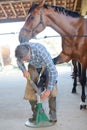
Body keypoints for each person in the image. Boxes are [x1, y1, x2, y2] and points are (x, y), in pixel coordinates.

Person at [15, 42, 58, 123]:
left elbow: (53, 71)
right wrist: (24, 70)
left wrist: (48, 90)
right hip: (33, 66)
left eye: (26, 59)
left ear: (29, 51)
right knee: (30, 89)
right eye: (23, 60)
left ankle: (53, 116)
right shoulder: (20, 50)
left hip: (46, 65)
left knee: (52, 90)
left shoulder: (40, 51)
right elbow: (19, 62)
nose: (24, 61)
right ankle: (36, 115)